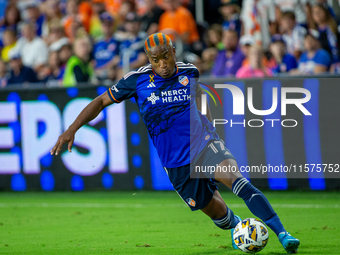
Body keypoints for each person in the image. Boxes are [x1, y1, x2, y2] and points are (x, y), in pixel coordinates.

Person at [50, 32, 300, 254]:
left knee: (239, 182)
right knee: (216, 211)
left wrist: (210, 128)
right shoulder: (136, 81)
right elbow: (101, 101)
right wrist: (72, 128)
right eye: (154, 60)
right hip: (175, 163)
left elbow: (200, 97)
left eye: (165, 57)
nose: (162, 65)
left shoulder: (189, 72)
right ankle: (238, 229)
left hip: (204, 146)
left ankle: (283, 233)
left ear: (173, 52)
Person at [93, 12, 120, 80]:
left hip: (110, 71)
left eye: (108, 24)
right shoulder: (97, 42)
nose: (106, 27)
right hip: (97, 72)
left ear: (112, 25)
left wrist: (105, 68)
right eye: (104, 24)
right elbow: (93, 61)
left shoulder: (117, 41)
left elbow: (117, 59)